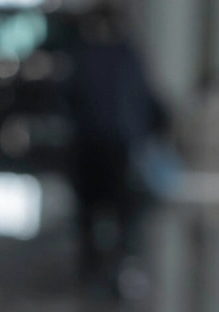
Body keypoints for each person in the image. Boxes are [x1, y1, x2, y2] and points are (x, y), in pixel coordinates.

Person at [64, 1, 168, 289]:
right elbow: (147, 99)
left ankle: (95, 268)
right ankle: (113, 267)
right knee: (118, 213)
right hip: (114, 145)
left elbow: (69, 97)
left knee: (93, 212)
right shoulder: (125, 54)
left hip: (93, 145)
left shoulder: (84, 54)